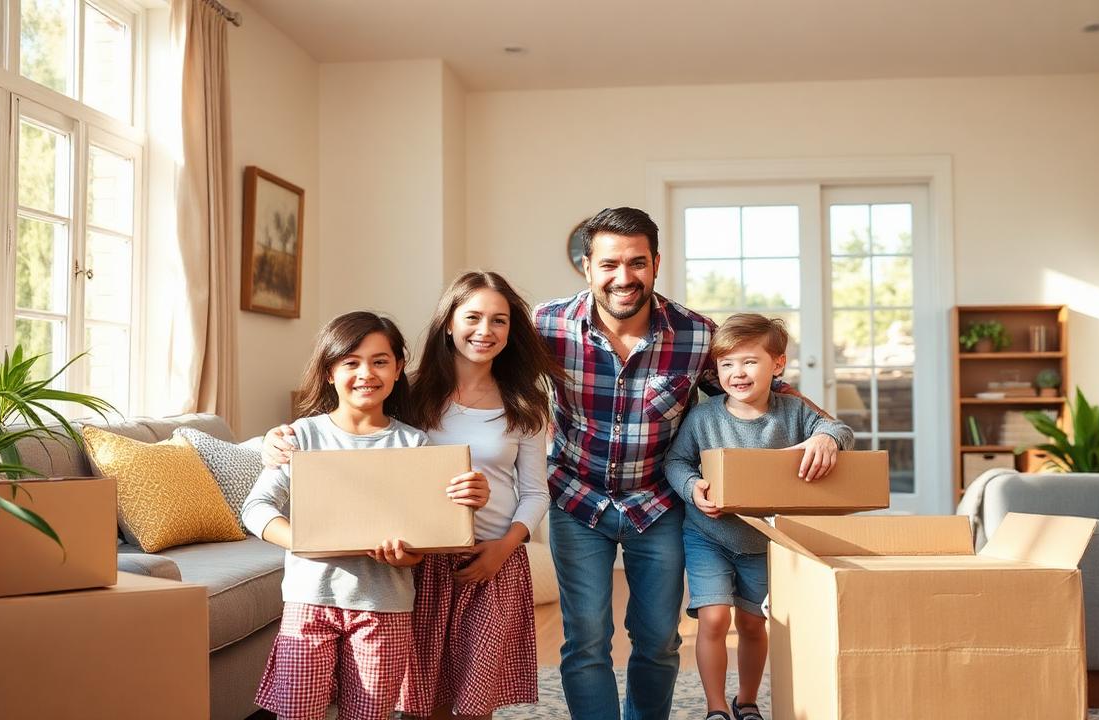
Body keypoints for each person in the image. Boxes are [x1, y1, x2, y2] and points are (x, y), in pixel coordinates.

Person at [534, 207, 819, 720]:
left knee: (659, 639)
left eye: (637, 263)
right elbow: (484, 373)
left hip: (658, 505)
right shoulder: (546, 325)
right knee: (586, 639)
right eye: (609, 264)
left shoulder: (695, 335)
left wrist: (825, 432)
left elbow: (761, 391)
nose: (624, 277)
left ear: (656, 263)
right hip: (577, 500)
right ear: (588, 266)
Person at [241, 311, 488, 720]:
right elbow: (256, 507)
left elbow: (425, 540)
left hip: (384, 607)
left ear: (398, 369)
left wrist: (407, 556)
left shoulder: (415, 444)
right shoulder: (300, 437)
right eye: (351, 362)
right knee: (298, 713)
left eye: (379, 361)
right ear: (329, 372)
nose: (366, 374)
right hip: (309, 601)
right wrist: (305, 541)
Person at [664, 313, 853, 720]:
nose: (738, 373)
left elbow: (841, 430)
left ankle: (746, 701)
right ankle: (716, 708)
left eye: (750, 362)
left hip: (765, 541)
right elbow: (676, 462)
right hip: (708, 534)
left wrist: (825, 437)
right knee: (713, 618)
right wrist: (692, 488)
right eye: (727, 364)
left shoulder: (794, 412)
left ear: (777, 364)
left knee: (753, 625)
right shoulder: (703, 417)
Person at [397, 270, 561, 719]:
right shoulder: (408, 392)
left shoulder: (525, 402)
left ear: (511, 331)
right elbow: (359, 441)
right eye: (472, 317)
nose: (485, 330)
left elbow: (536, 493)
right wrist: (281, 438)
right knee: (422, 702)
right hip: (420, 562)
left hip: (493, 562)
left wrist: (503, 549)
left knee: (475, 702)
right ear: (448, 323)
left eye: (499, 320)